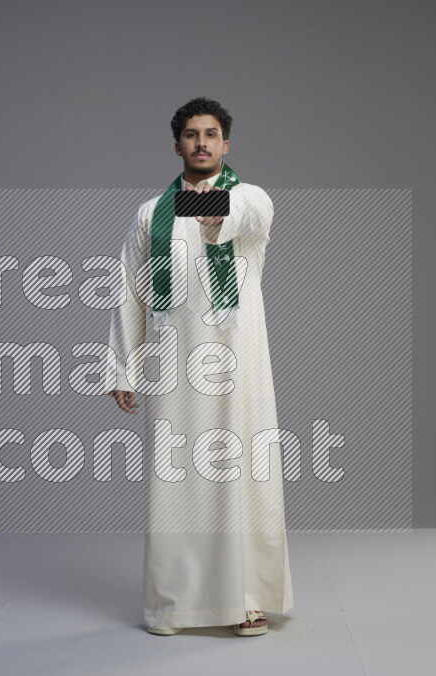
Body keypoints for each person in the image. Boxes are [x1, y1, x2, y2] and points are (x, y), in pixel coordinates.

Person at [108, 97, 294, 636]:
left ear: (226, 144)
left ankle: (247, 599)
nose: (202, 143)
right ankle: (174, 604)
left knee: (243, 477)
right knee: (177, 482)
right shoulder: (149, 214)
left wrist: (213, 209)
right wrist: (123, 367)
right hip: (174, 367)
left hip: (239, 366)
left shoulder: (250, 198)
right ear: (177, 145)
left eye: (211, 134)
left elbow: (241, 217)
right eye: (191, 135)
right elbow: (128, 292)